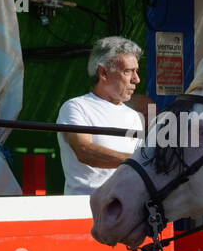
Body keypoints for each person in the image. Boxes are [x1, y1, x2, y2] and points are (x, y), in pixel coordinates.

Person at [56, 37, 145, 195]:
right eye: (128, 71)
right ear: (103, 73)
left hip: (125, 208)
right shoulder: (76, 107)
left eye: (136, 71)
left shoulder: (133, 116)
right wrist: (140, 161)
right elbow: (84, 150)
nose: (136, 79)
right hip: (84, 209)